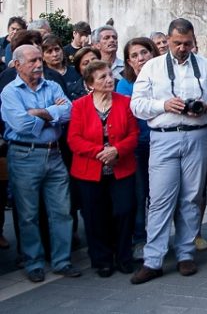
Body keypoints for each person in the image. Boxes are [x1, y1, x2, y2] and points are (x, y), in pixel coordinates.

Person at [130, 18, 207, 284]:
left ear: (194, 41)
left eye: (187, 44)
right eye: (177, 43)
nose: (182, 48)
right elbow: (136, 105)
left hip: (199, 135)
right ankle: (153, 260)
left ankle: (185, 254)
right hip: (163, 137)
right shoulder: (152, 67)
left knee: (192, 197)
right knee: (160, 200)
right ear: (168, 41)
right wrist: (164, 105)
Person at [1, 45, 80, 282]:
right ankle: (33, 262)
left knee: (62, 211)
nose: (39, 65)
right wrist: (52, 113)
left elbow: (70, 112)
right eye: (33, 61)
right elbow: (20, 125)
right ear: (17, 65)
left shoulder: (53, 85)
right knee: (28, 214)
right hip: (24, 155)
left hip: (54, 154)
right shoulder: (9, 93)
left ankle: (62, 261)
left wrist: (39, 112)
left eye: (39, 60)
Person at [67, 60, 139, 277]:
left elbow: (134, 135)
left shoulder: (124, 102)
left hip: (121, 167)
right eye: (102, 77)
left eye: (110, 75)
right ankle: (102, 260)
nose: (109, 80)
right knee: (95, 215)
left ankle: (124, 256)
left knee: (124, 211)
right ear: (90, 83)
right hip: (89, 169)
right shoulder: (79, 105)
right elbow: (74, 139)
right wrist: (101, 152)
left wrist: (116, 150)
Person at [115, 37, 159, 260]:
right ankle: (140, 238)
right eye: (135, 55)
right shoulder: (124, 84)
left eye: (144, 52)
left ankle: (159, 238)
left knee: (160, 195)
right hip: (138, 147)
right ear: (129, 62)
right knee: (140, 193)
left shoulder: (163, 77)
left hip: (162, 143)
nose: (141, 58)